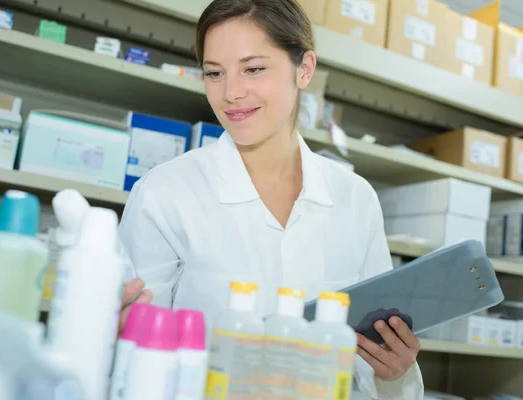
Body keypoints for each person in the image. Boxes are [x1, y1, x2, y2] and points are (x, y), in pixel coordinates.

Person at [117, 0, 424, 398]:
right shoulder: (165, 193)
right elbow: (138, 360)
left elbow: (374, 366)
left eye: (254, 68)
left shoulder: (355, 200)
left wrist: (394, 372)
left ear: (304, 69)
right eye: (214, 73)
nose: (230, 92)